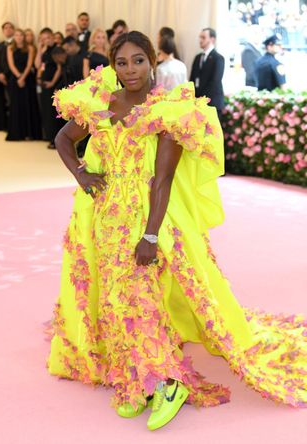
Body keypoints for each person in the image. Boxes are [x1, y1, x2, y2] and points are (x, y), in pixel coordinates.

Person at [47, 31, 307, 431]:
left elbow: (162, 180)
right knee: (118, 297)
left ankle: (169, 382)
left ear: (153, 60)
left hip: (149, 216)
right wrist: (82, 174)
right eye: (121, 62)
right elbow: (64, 138)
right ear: (112, 65)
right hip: (105, 217)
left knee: (140, 294)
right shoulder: (103, 101)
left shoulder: (169, 109)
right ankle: (140, 380)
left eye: (137, 60)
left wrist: (150, 236)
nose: (129, 70)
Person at [6, 29, 42, 140]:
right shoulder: (10, 48)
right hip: (15, 79)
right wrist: (18, 77)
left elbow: (29, 64)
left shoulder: (30, 48)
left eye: (21, 35)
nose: (19, 37)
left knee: (29, 103)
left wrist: (22, 78)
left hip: (27, 78)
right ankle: (18, 133)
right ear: (14, 37)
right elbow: (11, 64)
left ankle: (30, 133)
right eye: (17, 35)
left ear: (24, 37)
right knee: (16, 105)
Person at [190, 27, 225, 121]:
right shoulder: (198, 58)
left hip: (212, 103)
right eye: (200, 37)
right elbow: (192, 80)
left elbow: (215, 82)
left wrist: (202, 100)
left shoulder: (218, 58)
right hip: (198, 104)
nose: (200, 40)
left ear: (212, 39)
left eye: (203, 37)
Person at [36, 28, 63, 148]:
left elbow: (59, 68)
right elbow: (37, 65)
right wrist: (39, 49)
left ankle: (56, 139)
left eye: (47, 38)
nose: (45, 40)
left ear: (52, 37)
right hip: (44, 85)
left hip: (54, 85)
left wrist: (53, 83)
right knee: (46, 111)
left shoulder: (57, 50)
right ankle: (50, 136)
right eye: (43, 39)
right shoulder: (44, 50)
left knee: (54, 113)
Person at [0, 22, 15, 89]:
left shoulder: (17, 43)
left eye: (10, 27)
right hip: (3, 75)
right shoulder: (0, 45)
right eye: (6, 28)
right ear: (3, 31)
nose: (8, 29)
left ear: (13, 30)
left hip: (15, 75)